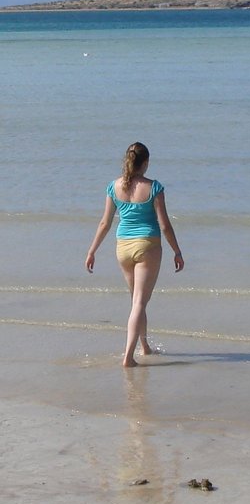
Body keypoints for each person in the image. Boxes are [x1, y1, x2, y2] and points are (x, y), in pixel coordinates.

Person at [85, 142, 184, 367]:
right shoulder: (154, 187)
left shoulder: (114, 186)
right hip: (147, 246)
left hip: (123, 248)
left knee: (136, 301)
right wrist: (177, 251)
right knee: (139, 301)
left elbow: (105, 223)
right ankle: (128, 357)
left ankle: (144, 346)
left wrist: (92, 251)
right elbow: (165, 225)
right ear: (146, 163)